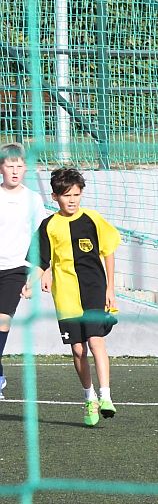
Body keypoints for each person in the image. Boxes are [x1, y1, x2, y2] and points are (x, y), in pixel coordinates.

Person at [37, 167, 121, 427]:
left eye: (76, 194)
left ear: (81, 193)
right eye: (66, 195)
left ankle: (106, 396)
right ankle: (89, 398)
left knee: (96, 341)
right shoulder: (49, 225)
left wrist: (110, 288)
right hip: (65, 294)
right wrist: (44, 274)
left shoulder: (93, 219)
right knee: (77, 349)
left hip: (94, 289)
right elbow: (43, 257)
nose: (72, 200)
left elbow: (108, 251)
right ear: (55, 197)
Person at [0, 144, 46, 400]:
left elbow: (41, 238)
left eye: (19, 165)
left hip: (16, 268)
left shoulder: (33, 199)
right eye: (10, 165)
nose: (15, 170)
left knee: (2, 321)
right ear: (1, 168)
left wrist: (41, 272)